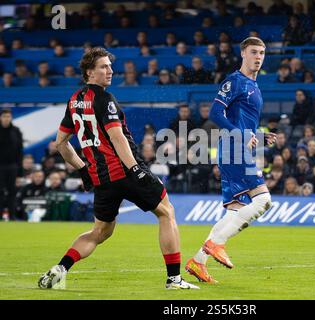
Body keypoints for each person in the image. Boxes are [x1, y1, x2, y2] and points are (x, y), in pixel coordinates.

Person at [38, 47, 198, 290]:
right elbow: (117, 138)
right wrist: (135, 169)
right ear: (89, 73)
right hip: (124, 170)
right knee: (166, 212)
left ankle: (60, 268)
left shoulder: (74, 101)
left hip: (101, 179)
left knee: (101, 231)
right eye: (104, 66)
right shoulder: (104, 99)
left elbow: (60, 143)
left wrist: (83, 169)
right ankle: (174, 279)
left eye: (110, 66)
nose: (110, 70)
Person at [185, 37, 277, 283]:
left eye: (262, 53)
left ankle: (198, 261)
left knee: (234, 211)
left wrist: (257, 135)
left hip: (239, 148)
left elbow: (242, 121)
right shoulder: (235, 81)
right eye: (254, 52)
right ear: (243, 53)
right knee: (263, 200)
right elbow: (215, 112)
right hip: (233, 148)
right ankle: (216, 243)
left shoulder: (254, 85)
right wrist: (239, 134)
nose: (258, 57)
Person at [0, 109, 23, 221]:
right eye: (4, 116)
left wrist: (20, 173)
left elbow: (20, 152)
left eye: (8, 116)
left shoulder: (16, 131)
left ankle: (12, 216)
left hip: (13, 166)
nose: (6, 118)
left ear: (11, 117)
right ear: (1, 117)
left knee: (12, 192)